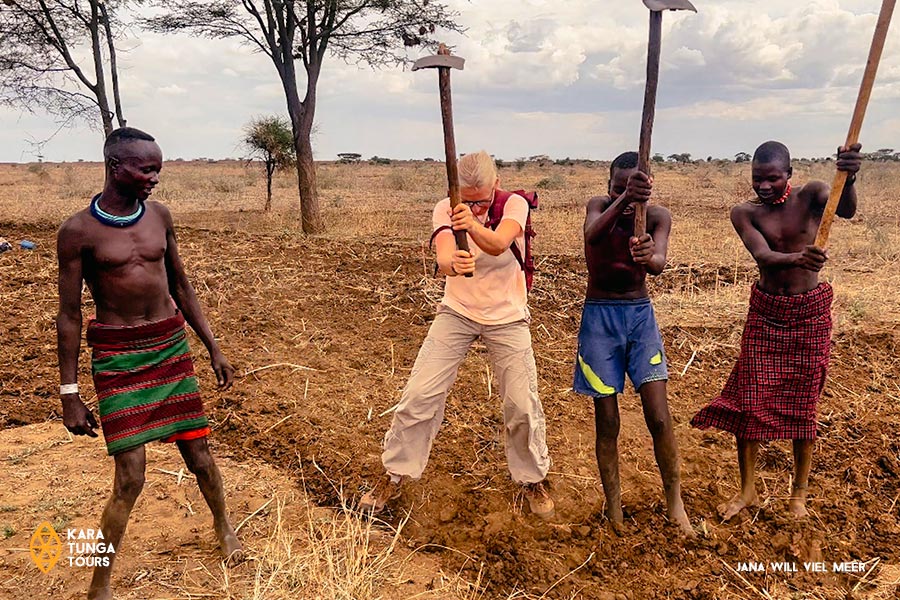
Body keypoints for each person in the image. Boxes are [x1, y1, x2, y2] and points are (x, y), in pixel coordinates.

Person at [56, 127, 243, 600]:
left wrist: (213, 347)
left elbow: (181, 285)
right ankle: (100, 585)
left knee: (199, 456)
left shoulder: (160, 216)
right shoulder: (78, 231)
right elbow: (70, 314)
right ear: (115, 166)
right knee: (130, 477)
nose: (154, 178)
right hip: (118, 359)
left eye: (157, 168)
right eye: (145, 168)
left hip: (169, 347)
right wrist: (70, 394)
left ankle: (224, 527)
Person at [360, 150, 553, 518]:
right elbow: (445, 256)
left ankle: (533, 478)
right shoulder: (445, 208)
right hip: (457, 312)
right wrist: (452, 262)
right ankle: (396, 473)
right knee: (419, 395)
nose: (476, 206)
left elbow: (498, 243)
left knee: (521, 403)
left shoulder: (514, 204)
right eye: (468, 200)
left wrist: (473, 226)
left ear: (495, 184)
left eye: (481, 200)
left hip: (507, 316)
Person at [691, 141, 862, 521]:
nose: (764, 186)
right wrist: (799, 257)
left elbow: (846, 210)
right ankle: (748, 489)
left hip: (809, 314)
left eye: (772, 178)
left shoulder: (815, 194)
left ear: (790, 174)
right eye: (757, 179)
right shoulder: (744, 213)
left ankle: (797, 495)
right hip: (766, 313)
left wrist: (849, 176)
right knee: (749, 403)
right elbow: (763, 256)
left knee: (804, 405)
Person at [573, 151, 693, 536]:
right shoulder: (599, 207)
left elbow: (658, 262)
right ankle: (614, 509)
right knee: (607, 422)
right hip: (599, 318)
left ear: (648, 188)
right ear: (609, 187)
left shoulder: (657, 216)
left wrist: (648, 255)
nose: (624, 198)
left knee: (658, 416)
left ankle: (675, 504)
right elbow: (591, 235)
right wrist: (626, 198)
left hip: (639, 318)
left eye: (634, 189)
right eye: (617, 188)